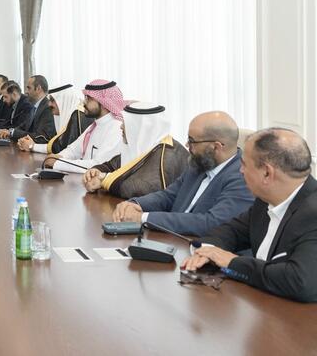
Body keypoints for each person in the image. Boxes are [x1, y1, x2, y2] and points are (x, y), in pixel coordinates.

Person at [182, 128, 317, 302]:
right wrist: (207, 251)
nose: (240, 171)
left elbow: (300, 282)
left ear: (267, 173)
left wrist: (232, 262)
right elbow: (232, 231)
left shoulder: (313, 213)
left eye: (244, 164)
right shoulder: (265, 200)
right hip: (264, 305)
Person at [112, 111, 254, 236]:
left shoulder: (243, 177)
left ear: (216, 147)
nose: (186, 145)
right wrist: (135, 204)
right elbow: (168, 196)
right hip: (172, 238)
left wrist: (143, 218)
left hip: (205, 249)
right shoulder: (199, 164)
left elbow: (211, 223)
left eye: (192, 141)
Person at [82, 102, 189, 198]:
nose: (121, 127)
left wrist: (105, 179)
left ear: (139, 126)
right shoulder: (142, 145)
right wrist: (95, 171)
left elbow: (146, 188)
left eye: (125, 123)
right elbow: (112, 166)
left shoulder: (167, 153)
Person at [41, 79, 125, 173]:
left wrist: (58, 163)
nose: (84, 102)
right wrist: (59, 156)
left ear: (104, 103)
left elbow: (98, 166)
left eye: (88, 98)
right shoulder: (95, 125)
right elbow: (73, 150)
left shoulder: (116, 128)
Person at [17, 83, 93, 153]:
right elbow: (57, 144)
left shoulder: (78, 115)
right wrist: (31, 144)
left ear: (63, 100)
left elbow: (63, 148)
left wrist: (32, 146)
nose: (49, 104)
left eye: (53, 100)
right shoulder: (70, 114)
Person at [0, 75, 56, 143]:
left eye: (29, 88)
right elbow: (24, 126)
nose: (26, 91)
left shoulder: (47, 108)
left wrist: (12, 133)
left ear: (38, 88)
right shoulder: (35, 106)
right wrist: (9, 131)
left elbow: (42, 137)